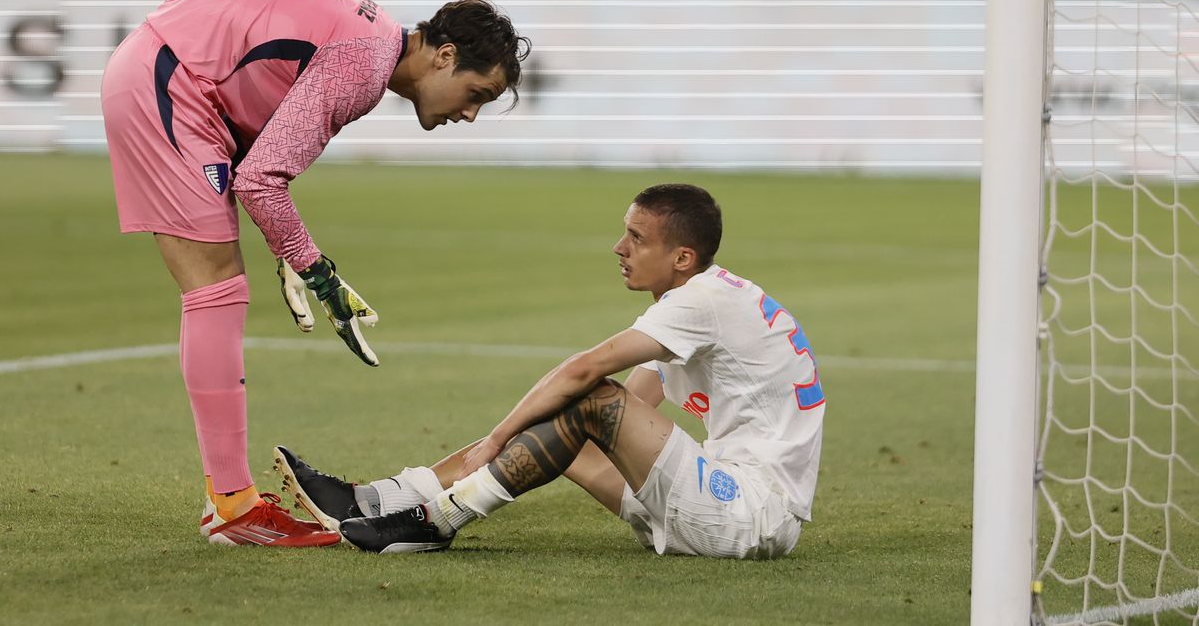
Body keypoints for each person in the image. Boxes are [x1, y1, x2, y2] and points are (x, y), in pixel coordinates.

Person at [99, 0, 530, 547]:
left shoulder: (371, 38)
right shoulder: (365, 68)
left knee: (218, 291)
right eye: (477, 94)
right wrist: (317, 272)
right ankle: (231, 509)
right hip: (172, 82)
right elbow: (262, 183)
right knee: (216, 292)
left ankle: (230, 503)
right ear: (444, 55)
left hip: (170, 67)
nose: (470, 115)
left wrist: (286, 245)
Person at [275, 184, 824, 558]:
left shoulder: (699, 303)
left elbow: (590, 373)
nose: (619, 247)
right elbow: (627, 410)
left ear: (682, 257)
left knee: (589, 396)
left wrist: (496, 439)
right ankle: (379, 499)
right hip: (721, 500)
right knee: (577, 409)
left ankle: (436, 521)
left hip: (751, 516)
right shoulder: (703, 302)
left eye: (637, 238)